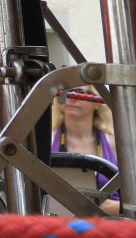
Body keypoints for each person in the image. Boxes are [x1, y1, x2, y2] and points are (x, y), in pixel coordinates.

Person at [52, 85, 121, 215]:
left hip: (110, 223)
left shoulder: (115, 143)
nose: (72, 97)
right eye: (67, 91)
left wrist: (115, 208)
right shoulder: (46, 139)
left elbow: (134, 199)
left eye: (81, 92)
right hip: (59, 223)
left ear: (98, 102)